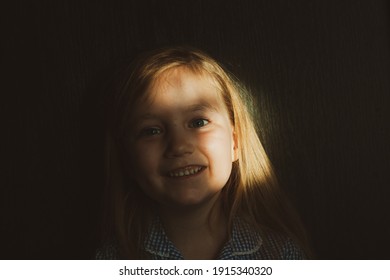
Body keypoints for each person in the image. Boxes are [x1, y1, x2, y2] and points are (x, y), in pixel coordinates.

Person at [96, 46, 311, 259]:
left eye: (199, 122)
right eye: (151, 130)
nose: (179, 146)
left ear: (235, 143)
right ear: (127, 159)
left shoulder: (282, 256)